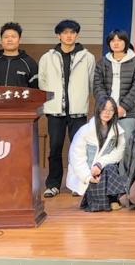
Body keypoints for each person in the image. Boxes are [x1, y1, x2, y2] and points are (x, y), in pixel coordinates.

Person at [39, 19, 96, 198]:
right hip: (55, 111)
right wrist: (51, 102)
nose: (69, 36)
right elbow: (42, 82)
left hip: (78, 111)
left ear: (77, 35)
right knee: (55, 147)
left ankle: (78, 184)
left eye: (72, 32)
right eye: (65, 32)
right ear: (58, 35)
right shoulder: (47, 57)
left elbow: (92, 83)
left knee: (78, 148)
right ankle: (53, 184)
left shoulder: (87, 57)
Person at [67, 96, 126, 212]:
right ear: (98, 109)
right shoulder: (84, 131)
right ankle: (102, 199)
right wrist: (88, 177)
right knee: (100, 205)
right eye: (104, 109)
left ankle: (113, 199)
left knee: (111, 167)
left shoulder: (118, 131)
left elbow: (118, 153)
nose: (107, 113)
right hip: (88, 174)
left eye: (111, 110)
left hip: (102, 170)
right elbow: (76, 158)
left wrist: (99, 164)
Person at [93, 29, 135, 135]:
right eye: (113, 40)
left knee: (126, 141)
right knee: (104, 141)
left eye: (119, 40)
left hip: (127, 113)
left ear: (126, 42)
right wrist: (106, 106)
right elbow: (97, 85)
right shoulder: (102, 62)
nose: (116, 43)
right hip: (105, 112)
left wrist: (124, 107)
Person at [0, 22, 39, 87]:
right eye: (6, 37)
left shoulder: (30, 63)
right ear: (1, 40)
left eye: (13, 37)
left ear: (20, 40)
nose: (9, 40)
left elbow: (35, 89)